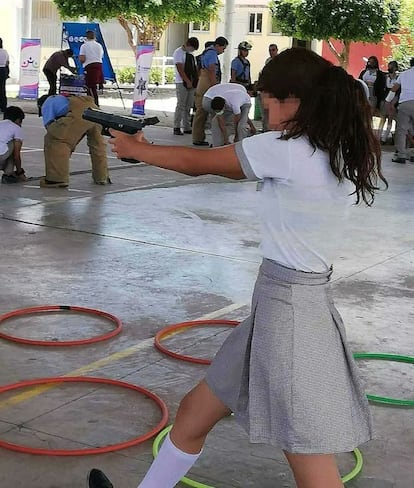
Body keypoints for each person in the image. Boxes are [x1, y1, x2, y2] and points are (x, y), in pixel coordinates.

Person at [88, 48, 387, 488]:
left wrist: (137, 150)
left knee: (308, 457)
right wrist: (147, 150)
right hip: (283, 307)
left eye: (268, 105)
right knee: (194, 413)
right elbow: (226, 167)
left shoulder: (286, 150)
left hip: (290, 317)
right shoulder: (332, 148)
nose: (265, 116)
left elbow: (199, 164)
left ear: (294, 100)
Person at [37, 94, 110, 187]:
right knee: (98, 146)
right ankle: (102, 177)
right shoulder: (61, 99)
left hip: (80, 114)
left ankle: (56, 180)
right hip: (95, 111)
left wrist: (65, 145)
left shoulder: (47, 103)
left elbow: (50, 127)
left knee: (55, 140)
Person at [192, 36, 228, 146]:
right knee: (204, 111)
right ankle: (201, 138)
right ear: (218, 45)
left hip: (202, 81)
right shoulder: (212, 54)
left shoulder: (206, 52)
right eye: (223, 48)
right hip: (207, 82)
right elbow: (212, 70)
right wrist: (215, 87)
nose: (223, 51)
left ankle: (198, 137)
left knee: (200, 112)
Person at [389, 57, 414, 164]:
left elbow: (394, 89)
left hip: (405, 103)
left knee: (401, 130)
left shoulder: (404, 74)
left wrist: (388, 101)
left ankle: (401, 155)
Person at [173, 37, 199, 136]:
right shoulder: (178, 53)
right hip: (181, 82)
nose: (192, 50)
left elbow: (194, 68)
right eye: (192, 47)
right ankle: (177, 126)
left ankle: (187, 126)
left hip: (191, 82)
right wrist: (187, 80)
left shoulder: (191, 55)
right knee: (181, 105)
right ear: (188, 44)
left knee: (188, 106)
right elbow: (180, 69)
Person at [0, 106, 27, 184]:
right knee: (14, 145)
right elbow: (16, 156)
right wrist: (20, 172)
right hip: (1, 156)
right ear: (18, 120)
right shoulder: (16, 128)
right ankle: (8, 175)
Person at [79, 30, 104, 106]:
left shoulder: (84, 46)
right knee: (93, 87)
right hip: (99, 65)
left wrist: (80, 60)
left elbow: (82, 59)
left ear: (86, 37)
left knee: (90, 86)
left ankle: (94, 105)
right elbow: (101, 56)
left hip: (89, 66)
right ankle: (93, 104)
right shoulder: (99, 45)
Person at [377, 60, 399, 144]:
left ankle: (384, 138)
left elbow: (398, 91)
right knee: (382, 118)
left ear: (395, 68)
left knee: (390, 119)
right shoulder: (385, 77)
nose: (389, 68)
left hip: (393, 101)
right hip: (384, 99)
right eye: (389, 66)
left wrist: (394, 102)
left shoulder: (398, 78)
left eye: (391, 67)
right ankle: (378, 137)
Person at [0, 38, 10, 113]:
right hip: (3, 70)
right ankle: (3, 107)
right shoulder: (5, 52)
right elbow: (7, 62)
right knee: (2, 89)